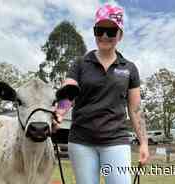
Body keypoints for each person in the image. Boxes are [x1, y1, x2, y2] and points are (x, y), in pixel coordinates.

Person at [53, 4, 149, 184]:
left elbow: (135, 109)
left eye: (111, 31)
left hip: (116, 141)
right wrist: (59, 113)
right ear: (95, 32)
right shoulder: (80, 64)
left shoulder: (129, 68)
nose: (105, 35)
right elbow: (69, 94)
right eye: (100, 30)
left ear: (120, 35)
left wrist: (143, 142)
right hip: (81, 141)